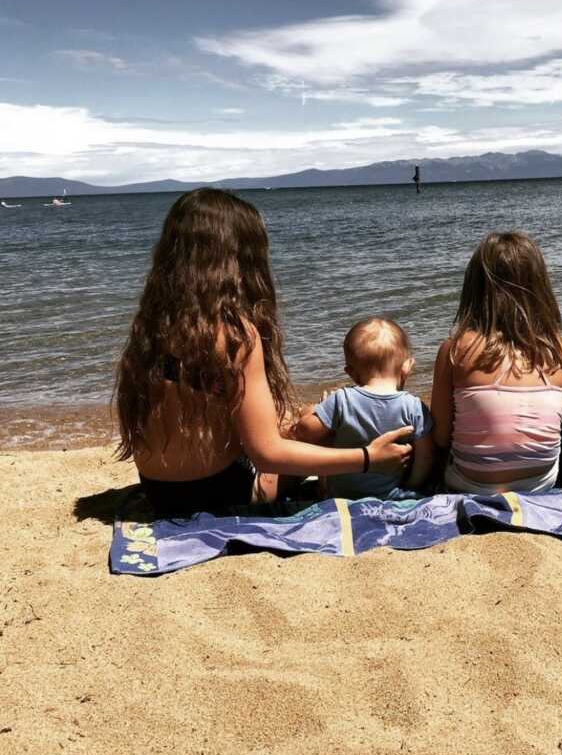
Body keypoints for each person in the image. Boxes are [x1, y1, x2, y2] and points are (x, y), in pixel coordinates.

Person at [114, 188, 412, 517]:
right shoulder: (235, 336)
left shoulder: (152, 325)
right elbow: (267, 455)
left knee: (298, 422)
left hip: (160, 492)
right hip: (221, 495)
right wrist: (368, 457)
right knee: (318, 430)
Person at [430, 232, 562, 494]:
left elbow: (440, 437)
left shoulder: (454, 350)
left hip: (470, 483)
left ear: (474, 287)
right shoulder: (561, 351)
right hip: (540, 484)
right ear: (540, 286)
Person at [291, 317, 433, 500]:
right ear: (407, 367)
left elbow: (304, 431)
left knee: (313, 418)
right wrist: (412, 485)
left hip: (342, 495)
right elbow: (426, 456)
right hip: (390, 495)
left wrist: (314, 409)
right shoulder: (414, 407)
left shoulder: (341, 399)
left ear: (351, 373)